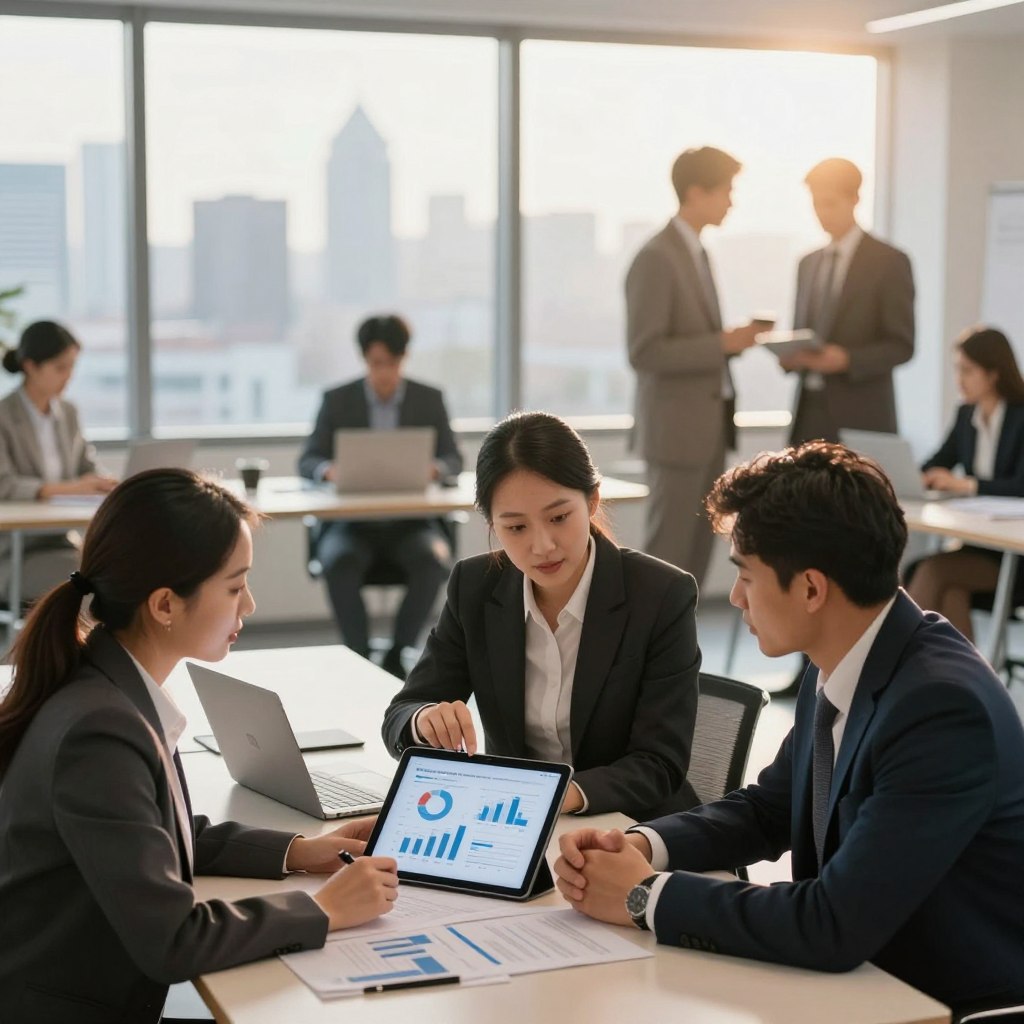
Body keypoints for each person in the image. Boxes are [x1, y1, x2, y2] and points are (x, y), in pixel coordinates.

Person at [553, 442, 1024, 1021]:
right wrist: (640, 846)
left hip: (935, 1003)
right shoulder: (846, 657)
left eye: (746, 575)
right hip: (856, 982)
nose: (736, 597)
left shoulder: (939, 707)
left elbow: (833, 923)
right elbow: (767, 811)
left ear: (810, 589)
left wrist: (643, 895)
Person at [0, 469, 399, 1023]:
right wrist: (322, 910)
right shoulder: (99, 733)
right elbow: (173, 941)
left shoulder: (102, 686)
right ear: (165, 605)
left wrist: (299, 851)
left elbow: (158, 833)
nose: (250, 605)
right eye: (235, 587)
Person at [382, 411, 700, 821]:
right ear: (492, 524)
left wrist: (550, 797)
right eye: (516, 528)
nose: (542, 546)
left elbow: (660, 763)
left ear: (592, 501)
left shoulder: (660, 595)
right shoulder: (475, 586)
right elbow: (401, 713)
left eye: (558, 518)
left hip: (630, 826)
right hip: (516, 823)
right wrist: (424, 719)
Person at [298, 314, 463, 678]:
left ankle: (397, 652)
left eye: (392, 362)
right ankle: (357, 656)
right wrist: (328, 470)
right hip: (351, 527)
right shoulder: (337, 400)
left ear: (404, 359)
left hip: (411, 525)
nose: (384, 372)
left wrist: (435, 469)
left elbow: (454, 459)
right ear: (364, 359)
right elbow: (308, 459)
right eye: (376, 363)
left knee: (431, 561)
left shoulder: (428, 399)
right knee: (338, 561)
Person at [625, 146, 759, 585]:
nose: (732, 202)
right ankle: (647, 654)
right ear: (697, 192)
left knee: (696, 559)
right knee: (667, 556)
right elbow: (644, 352)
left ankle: (679, 652)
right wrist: (720, 343)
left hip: (708, 429)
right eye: (727, 191)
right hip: (676, 435)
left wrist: (727, 345)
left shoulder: (696, 252)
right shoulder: (656, 257)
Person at [784, 158, 915, 445]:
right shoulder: (807, 263)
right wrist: (790, 354)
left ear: (855, 199)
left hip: (862, 416)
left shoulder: (888, 262)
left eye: (830, 203)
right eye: (816, 204)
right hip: (808, 413)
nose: (822, 213)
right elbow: (801, 332)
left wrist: (847, 360)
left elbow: (902, 345)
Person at [906, 326, 1024, 640]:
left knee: (931, 571)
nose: (959, 379)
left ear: (994, 373)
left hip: (1014, 554)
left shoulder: (1021, 416)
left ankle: (896, 670)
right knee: (950, 592)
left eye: (967, 370)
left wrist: (964, 485)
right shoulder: (965, 415)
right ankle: (965, 687)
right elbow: (938, 461)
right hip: (978, 544)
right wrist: (922, 475)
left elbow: (1020, 486)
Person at [0, 320, 117, 602]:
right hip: (14, 551)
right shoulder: (4, 416)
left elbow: (85, 467)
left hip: (62, 540)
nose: (69, 376)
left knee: (121, 561)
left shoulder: (68, 413)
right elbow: (4, 484)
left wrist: (102, 482)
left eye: (72, 366)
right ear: (30, 366)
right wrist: (71, 489)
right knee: (94, 574)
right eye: (60, 367)